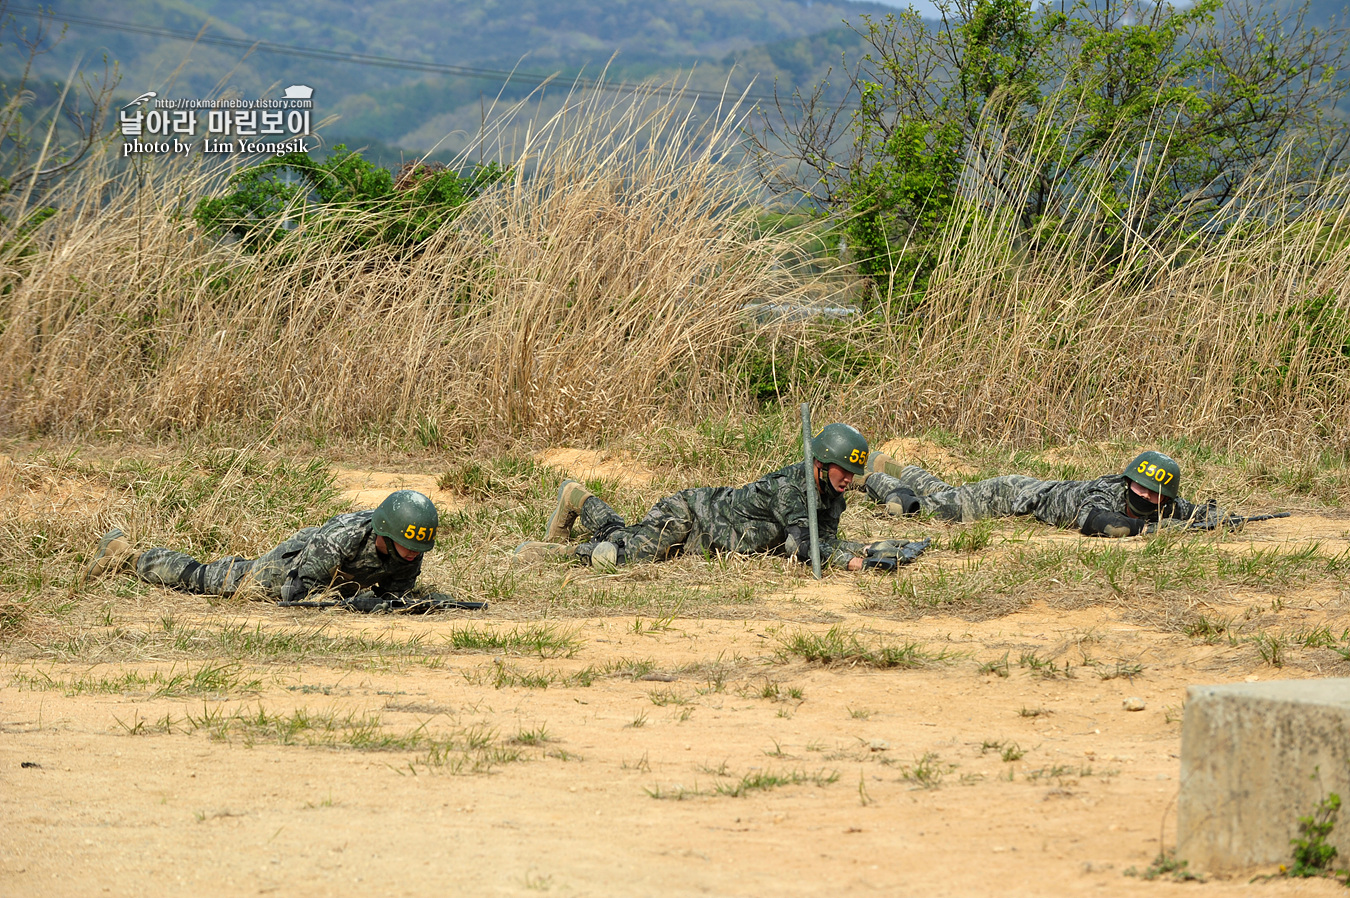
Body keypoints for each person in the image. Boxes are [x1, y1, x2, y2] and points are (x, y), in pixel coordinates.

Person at [515, 424, 928, 571]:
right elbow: (805, 548)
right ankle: (554, 554)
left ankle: (578, 498)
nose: (850, 480)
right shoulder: (792, 490)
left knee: (626, 534)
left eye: (854, 473)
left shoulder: (830, 491)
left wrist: (876, 548)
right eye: (845, 471)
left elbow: (827, 542)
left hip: (706, 541)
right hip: (691, 515)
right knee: (623, 556)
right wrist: (858, 563)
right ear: (821, 462)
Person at [84, 489, 467, 610]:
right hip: (284, 570)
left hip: (335, 583)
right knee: (203, 578)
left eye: (418, 549)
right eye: (406, 546)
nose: (413, 555)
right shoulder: (341, 537)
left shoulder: (410, 549)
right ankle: (129, 555)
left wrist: (403, 604)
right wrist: (355, 604)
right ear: (384, 532)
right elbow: (295, 596)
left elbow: (393, 595)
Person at [860, 448, 1235, 537]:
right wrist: (1154, 530)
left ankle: (894, 465)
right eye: (1140, 486)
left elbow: (1192, 511)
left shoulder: (1165, 502)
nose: (1145, 496)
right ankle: (871, 479)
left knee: (943, 491)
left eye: (1155, 494)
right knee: (918, 508)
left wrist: (1214, 520)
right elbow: (1097, 523)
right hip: (1011, 495)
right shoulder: (1107, 491)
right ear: (1128, 481)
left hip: (1024, 495)